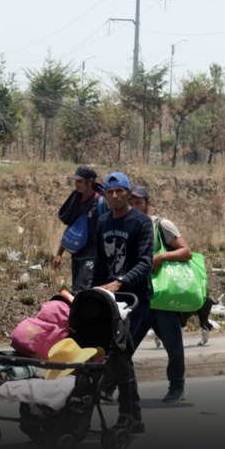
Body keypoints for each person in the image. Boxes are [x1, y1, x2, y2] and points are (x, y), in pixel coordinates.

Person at [87, 172, 154, 434]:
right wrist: (92, 292)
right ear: (105, 196)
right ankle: (134, 415)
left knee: (121, 353)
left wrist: (120, 282)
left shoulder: (141, 222)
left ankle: (129, 414)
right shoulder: (103, 221)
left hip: (136, 301)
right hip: (110, 300)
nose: (115, 196)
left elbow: (146, 263)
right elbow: (100, 262)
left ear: (128, 193)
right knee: (115, 356)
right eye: (110, 192)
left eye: (120, 192)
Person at [129, 185, 193, 403]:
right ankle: (118, 387)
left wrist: (163, 256)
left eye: (138, 202)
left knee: (174, 348)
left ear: (149, 202)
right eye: (131, 203)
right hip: (138, 300)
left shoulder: (161, 224)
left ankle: (177, 387)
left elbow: (186, 251)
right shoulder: (129, 225)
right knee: (124, 347)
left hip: (162, 301)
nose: (134, 206)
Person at [53, 165, 103, 292]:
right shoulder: (76, 199)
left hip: (92, 256)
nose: (76, 184)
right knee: (76, 290)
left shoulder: (100, 202)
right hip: (77, 255)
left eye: (80, 181)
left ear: (90, 181)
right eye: (75, 181)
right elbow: (71, 227)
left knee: (81, 291)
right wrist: (59, 254)